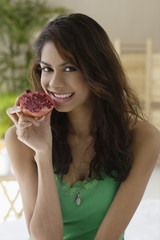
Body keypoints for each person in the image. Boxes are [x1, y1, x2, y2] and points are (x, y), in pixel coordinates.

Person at [5, 13, 160, 240]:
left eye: (69, 68)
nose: (54, 83)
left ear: (97, 70)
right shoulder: (21, 140)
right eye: (47, 68)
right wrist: (43, 153)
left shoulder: (143, 138)